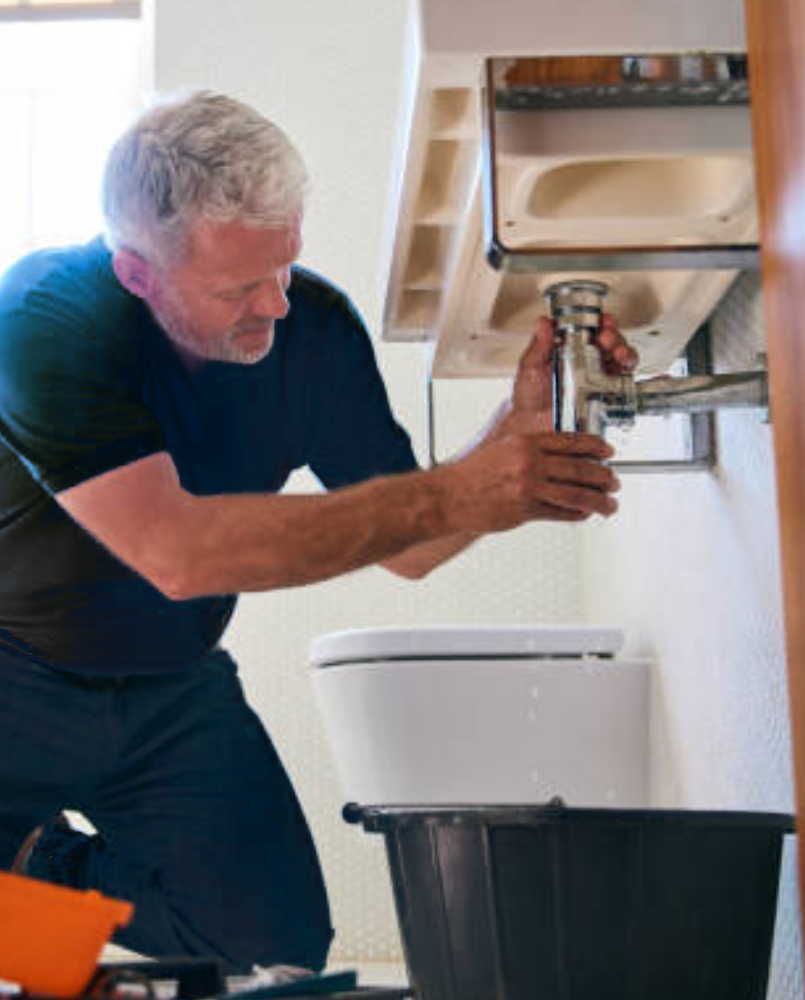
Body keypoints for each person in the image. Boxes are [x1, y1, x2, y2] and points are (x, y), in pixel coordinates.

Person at [0, 91, 634, 972]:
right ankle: (24, 919)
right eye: (237, 287)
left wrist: (514, 437)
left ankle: (37, 865)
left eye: (284, 266)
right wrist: (459, 493)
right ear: (139, 274)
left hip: (170, 689)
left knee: (268, 952)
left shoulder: (316, 331)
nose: (277, 304)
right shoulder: (45, 317)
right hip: (12, 679)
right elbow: (177, 555)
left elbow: (411, 541)